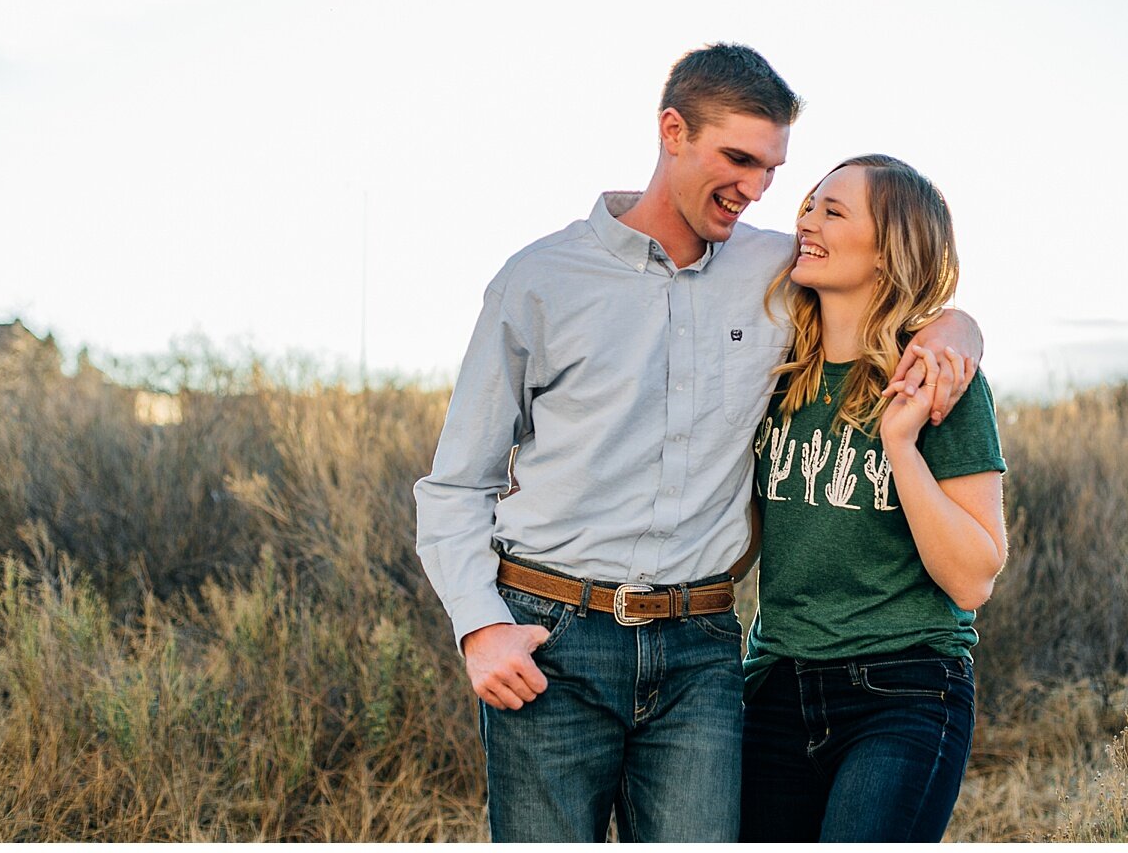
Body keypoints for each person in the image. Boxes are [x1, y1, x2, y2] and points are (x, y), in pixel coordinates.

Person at [414, 45, 984, 843]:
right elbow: (455, 483)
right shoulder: (539, 281)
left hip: (702, 652)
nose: (755, 190)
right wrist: (479, 624)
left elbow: (900, 280)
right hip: (553, 638)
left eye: (772, 171)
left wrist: (960, 331)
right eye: (738, 157)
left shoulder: (779, 270)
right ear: (672, 130)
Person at [738, 154, 1007, 843]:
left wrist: (899, 443)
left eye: (834, 210)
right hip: (775, 685)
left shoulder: (939, 381)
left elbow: (974, 574)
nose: (806, 219)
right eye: (808, 203)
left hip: (903, 690)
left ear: (889, 248)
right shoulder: (774, 373)